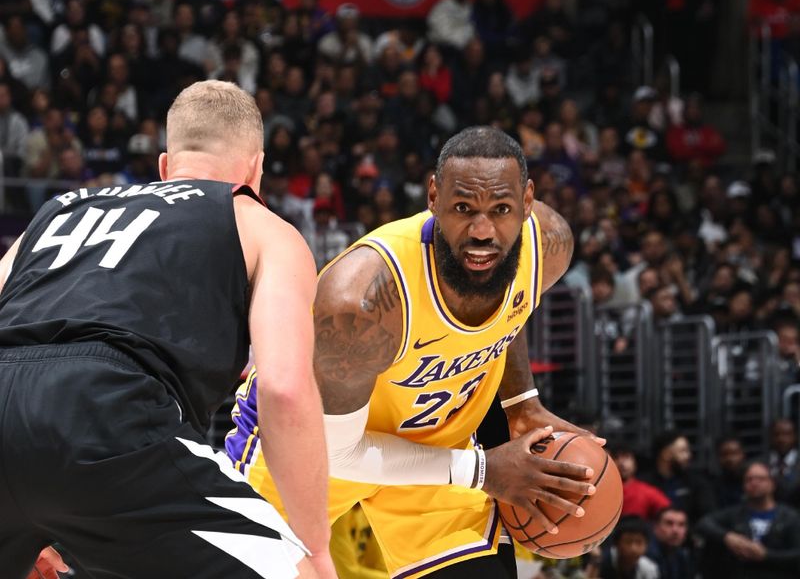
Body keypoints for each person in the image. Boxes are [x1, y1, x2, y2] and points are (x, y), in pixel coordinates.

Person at [227, 126, 601, 577]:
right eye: (463, 209)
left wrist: (522, 403)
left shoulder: (546, 246)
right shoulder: (364, 300)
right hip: (312, 451)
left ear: (527, 203)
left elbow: (510, 311)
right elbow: (341, 454)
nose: (482, 231)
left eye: (500, 210)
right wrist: (482, 471)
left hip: (438, 450)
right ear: (433, 197)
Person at [0, 80, 334, 578]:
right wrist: (316, 547)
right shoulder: (260, 225)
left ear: (164, 167)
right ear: (256, 169)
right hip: (108, 413)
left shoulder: (57, 212)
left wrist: (30, 509)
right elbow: (283, 388)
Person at [696, 461, 800, 579]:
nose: (754, 483)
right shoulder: (735, 514)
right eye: (749, 479)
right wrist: (728, 537)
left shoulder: (790, 517)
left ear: (772, 484)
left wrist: (767, 555)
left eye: (760, 479)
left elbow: (797, 555)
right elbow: (703, 523)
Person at [646, 507, 694, 579]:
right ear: (656, 527)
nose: (675, 530)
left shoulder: (682, 555)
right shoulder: (646, 557)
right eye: (669, 523)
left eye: (681, 524)